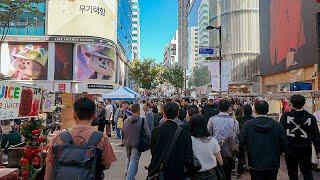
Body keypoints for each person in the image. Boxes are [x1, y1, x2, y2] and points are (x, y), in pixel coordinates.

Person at [44, 97, 116, 180]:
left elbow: (49, 166)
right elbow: (107, 164)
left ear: (74, 115)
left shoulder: (58, 138)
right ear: (94, 115)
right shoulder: (101, 138)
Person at [240, 100, 288, 180]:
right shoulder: (277, 125)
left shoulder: (248, 125)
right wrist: (277, 153)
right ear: (268, 110)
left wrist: (246, 155)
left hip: (254, 161)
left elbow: (241, 142)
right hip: (272, 162)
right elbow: (284, 144)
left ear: (254, 110)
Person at [148, 102, 194, 180]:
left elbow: (153, 151)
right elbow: (189, 158)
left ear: (164, 113)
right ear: (177, 114)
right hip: (178, 173)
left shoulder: (156, 131)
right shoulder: (184, 133)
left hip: (161, 172)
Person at [280, 94, 320, 180]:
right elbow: (316, 135)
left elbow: (281, 134)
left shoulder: (285, 116)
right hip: (305, 149)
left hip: (290, 149)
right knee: (307, 172)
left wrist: (281, 149)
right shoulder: (311, 117)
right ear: (304, 104)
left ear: (291, 104)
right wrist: (318, 150)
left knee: (292, 172)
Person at [207, 99, 239, 180]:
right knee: (227, 174)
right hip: (229, 153)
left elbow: (208, 136)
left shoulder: (212, 119)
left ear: (218, 107)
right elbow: (236, 138)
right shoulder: (234, 121)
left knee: (216, 174)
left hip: (214, 153)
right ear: (229, 108)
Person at [190, 114, 223, 180]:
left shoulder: (190, 140)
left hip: (196, 174)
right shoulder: (212, 140)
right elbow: (221, 162)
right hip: (212, 174)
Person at [122, 103, 151, 180]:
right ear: (138, 110)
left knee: (129, 158)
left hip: (127, 142)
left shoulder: (126, 121)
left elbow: (123, 132)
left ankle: (128, 173)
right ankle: (129, 177)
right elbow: (147, 133)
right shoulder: (142, 120)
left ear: (131, 110)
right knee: (134, 160)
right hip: (137, 143)